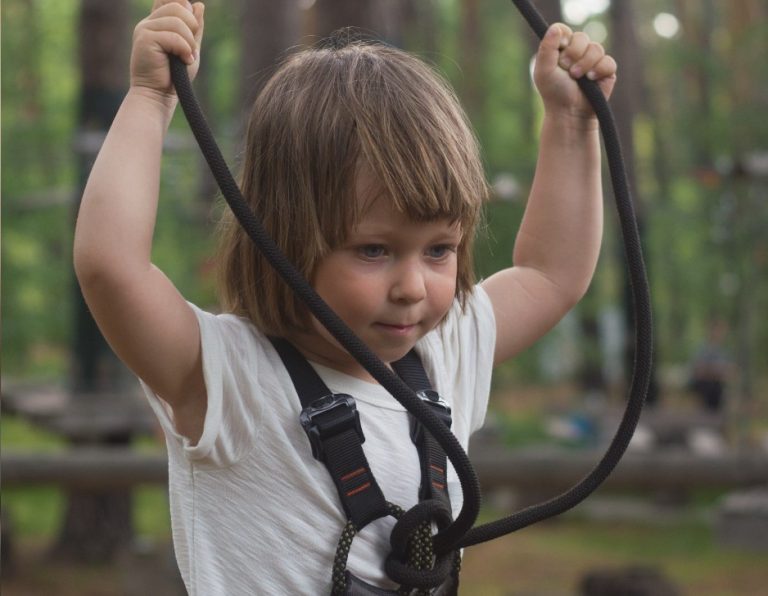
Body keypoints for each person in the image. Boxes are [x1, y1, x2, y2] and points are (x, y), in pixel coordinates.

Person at [73, 1, 617, 593]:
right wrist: (151, 98)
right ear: (281, 239)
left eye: (439, 250)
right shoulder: (227, 378)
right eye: (374, 251)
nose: (413, 288)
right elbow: (111, 268)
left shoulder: (441, 355)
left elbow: (549, 274)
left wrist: (571, 123)